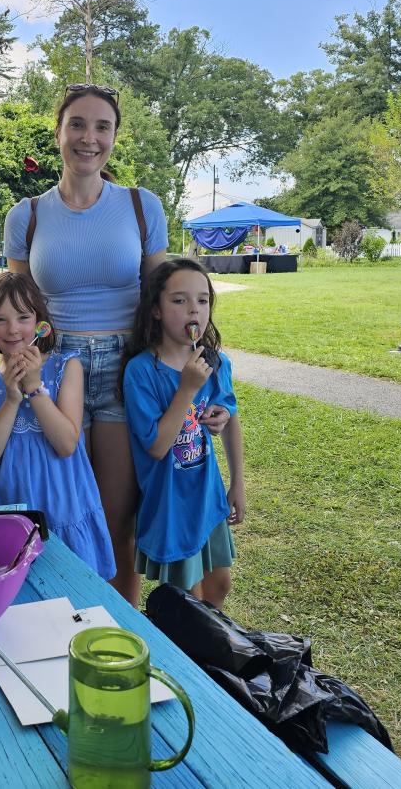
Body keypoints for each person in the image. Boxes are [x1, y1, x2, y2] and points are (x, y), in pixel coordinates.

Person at [4, 83, 171, 605]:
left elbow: (165, 303)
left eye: (102, 126)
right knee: (60, 512)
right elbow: (17, 314)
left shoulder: (143, 207)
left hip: (126, 371)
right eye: (77, 123)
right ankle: (61, 622)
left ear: (116, 136)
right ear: (58, 132)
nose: (89, 137)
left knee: (117, 518)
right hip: (56, 372)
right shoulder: (25, 216)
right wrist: (21, 379)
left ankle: (120, 634)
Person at [0, 273, 116, 579]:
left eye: (23, 317)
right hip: (3, 505)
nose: (13, 329)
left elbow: (66, 444)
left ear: (40, 322)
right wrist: (10, 400)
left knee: (67, 582)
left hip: (60, 501)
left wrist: (34, 387)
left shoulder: (66, 367)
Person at [121, 259, 245, 607]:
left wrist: (238, 483)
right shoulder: (142, 371)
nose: (194, 309)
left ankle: (208, 653)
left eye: (203, 300)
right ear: (156, 310)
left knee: (219, 585)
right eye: (179, 300)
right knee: (189, 601)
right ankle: (189, 659)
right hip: (171, 506)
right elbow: (158, 446)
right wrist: (187, 389)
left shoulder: (214, 362)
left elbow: (230, 418)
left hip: (207, 498)